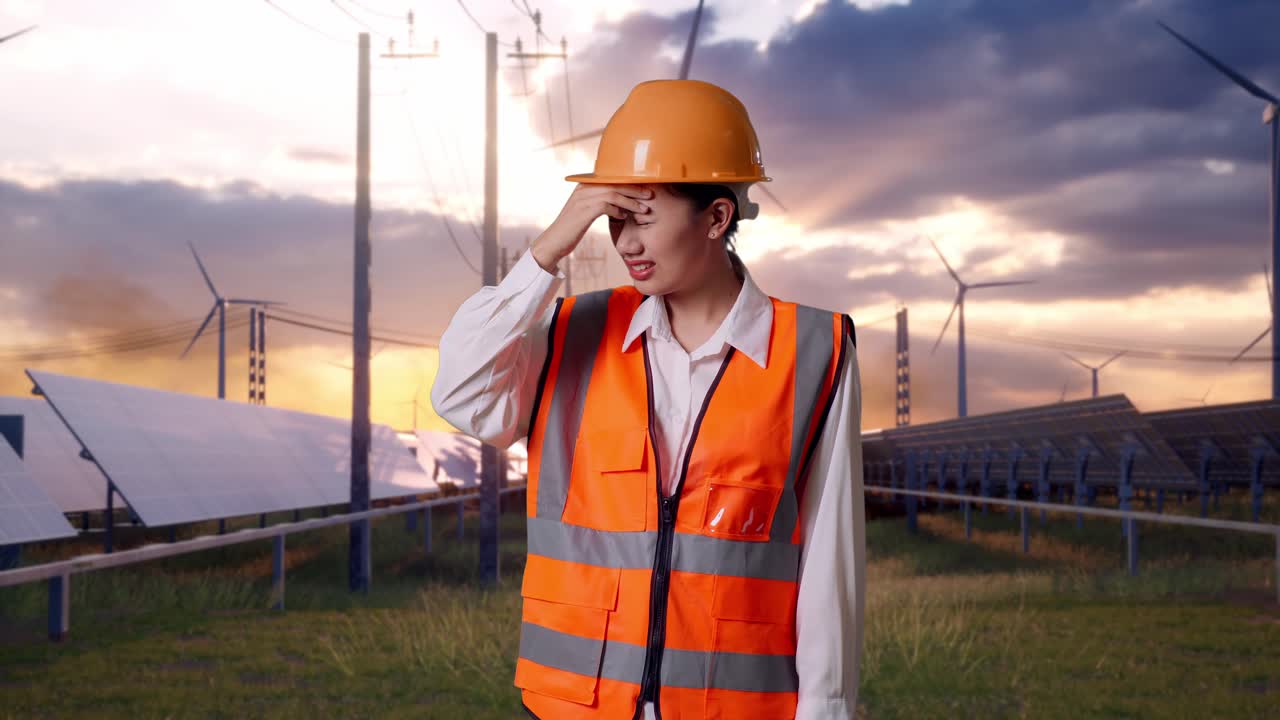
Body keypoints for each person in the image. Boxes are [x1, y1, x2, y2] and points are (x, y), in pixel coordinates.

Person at [431, 79, 865, 720]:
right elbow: (462, 394)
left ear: (718, 218)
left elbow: (831, 560)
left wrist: (826, 710)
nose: (624, 243)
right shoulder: (572, 331)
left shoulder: (816, 351)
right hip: (574, 706)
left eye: (644, 217)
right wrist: (550, 247)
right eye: (613, 220)